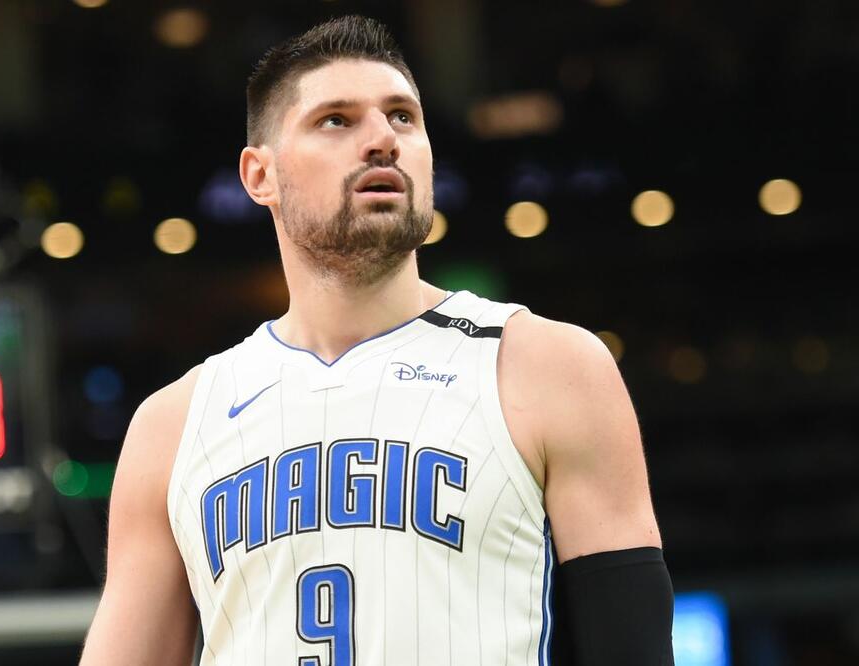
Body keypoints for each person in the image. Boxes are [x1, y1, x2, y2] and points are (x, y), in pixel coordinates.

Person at [81, 14, 674, 666]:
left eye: (402, 117)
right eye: (336, 120)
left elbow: (632, 647)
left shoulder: (547, 366)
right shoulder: (172, 425)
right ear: (259, 175)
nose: (383, 140)